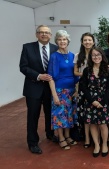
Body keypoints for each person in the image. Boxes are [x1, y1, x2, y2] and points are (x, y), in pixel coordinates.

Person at [19, 25, 58, 154]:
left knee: (49, 113)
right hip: (33, 87)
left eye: (46, 32)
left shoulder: (55, 48)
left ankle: (50, 134)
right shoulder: (27, 47)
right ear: (37, 35)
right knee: (33, 116)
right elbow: (23, 67)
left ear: (50, 35)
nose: (44, 34)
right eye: (41, 32)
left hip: (50, 88)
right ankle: (33, 142)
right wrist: (38, 76)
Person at [79, 46, 109, 157]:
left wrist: (103, 102)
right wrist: (92, 100)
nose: (96, 57)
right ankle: (97, 145)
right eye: (93, 55)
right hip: (90, 101)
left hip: (104, 101)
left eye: (98, 55)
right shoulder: (86, 70)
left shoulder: (108, 70)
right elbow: (83, 87)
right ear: (90, 57)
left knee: (103, 124)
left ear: (102, 56)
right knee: (92, 124)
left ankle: (104, 144)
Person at [48, 30, 79, 150]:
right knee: (59, 115)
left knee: (70, 114)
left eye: (64, 39)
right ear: (56, 41)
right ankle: (61, 137)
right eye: (60, 39)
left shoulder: (72, 56)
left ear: (68, 41)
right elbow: (50, 78)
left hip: (72, 90)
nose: (62, 41)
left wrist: (76, 89)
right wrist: (54, 95)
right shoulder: (54, 56)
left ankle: (67, 135)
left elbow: (76, 74)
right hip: (60, 90)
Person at [73, 32, 95, 148]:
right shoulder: (78, 55)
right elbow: (75, 72)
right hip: (82, 87)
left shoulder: (96, 54)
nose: (87, 42)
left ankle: (95, 138)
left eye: (89, 40)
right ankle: (87, 138)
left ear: (93, 41)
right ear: (82, 42)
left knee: (94, 114)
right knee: (85, 114)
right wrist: (86, 74)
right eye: (85, 40)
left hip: (95, 87)